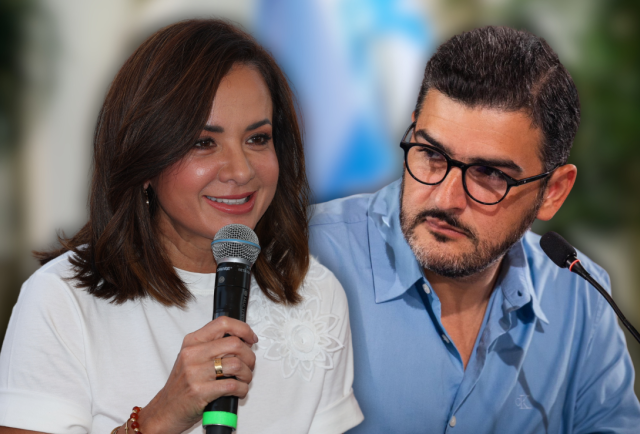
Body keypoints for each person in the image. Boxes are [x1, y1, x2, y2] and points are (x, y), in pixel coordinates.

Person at [0, 19, 363, 434]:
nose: (240, 170)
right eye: (203, 142)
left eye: (257, 138)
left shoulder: (315, 293)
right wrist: (160, 418)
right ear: (144, 160)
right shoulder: (61, 300)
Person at [309, 26, 640, 433]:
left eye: (489, 173)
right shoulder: (305, 252)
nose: (445, 198)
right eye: (431, 153)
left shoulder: (580, 297)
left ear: (553, 192)